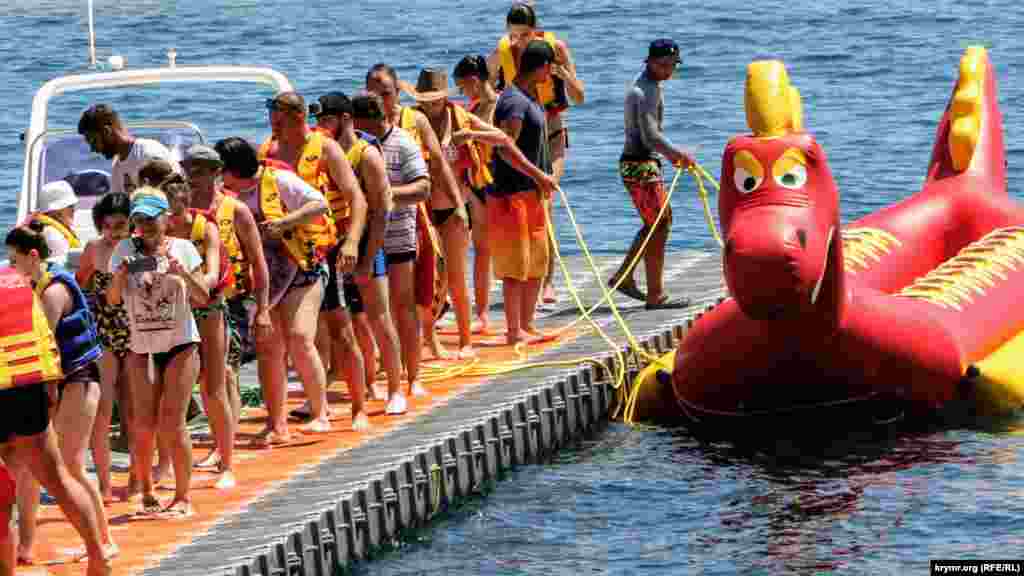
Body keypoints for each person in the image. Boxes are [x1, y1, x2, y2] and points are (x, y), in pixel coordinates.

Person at [3, 225, 113, 575]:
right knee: (42, 477)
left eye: (13, 258)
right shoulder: (23, 291)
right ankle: (29, 547)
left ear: (33, 257)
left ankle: (102, 546)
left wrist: (49, 392)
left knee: (67, 469)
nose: (9, 264)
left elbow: (46, 346)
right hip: (33, 392)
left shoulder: (53, 291)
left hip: (69, 383)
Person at [257, 92, 367, 432]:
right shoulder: (269, 151)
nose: (274, 129)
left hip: (326, 248)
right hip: (287, 254)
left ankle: (359, 406)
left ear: (298, 118)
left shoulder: (326, 148)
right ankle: (308, 405)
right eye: (272, 123)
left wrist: (351, 242)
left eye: (279, 123)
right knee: (296, 335)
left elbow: (356, 198)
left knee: (340, 329)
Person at [216, 137, 335, 439]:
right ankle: (276, 423)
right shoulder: (224, 196)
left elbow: (319, 203)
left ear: (234, 168)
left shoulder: (279, 179)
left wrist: (285, 222)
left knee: (298, 337)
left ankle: (321, 413)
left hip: (303, 268)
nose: (218, 176)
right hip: (262, 277)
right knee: (269, 348)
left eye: (221, 169)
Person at [107, 188, 207, 518]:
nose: (146, 225)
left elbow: (203, 296)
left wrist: (182, 274)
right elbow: (112, 299)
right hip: (142, 346)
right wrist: (121, 275)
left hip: (180, 343)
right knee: (142, 422)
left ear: (166, 217)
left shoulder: (184, 248)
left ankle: (183, 497)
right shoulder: (124, 250)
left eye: (152, 218)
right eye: (139, 219)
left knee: (172, 422)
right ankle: (147, 489)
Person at [487, 2, 586, 305]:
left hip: (551, 130)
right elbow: (488, 86)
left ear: (536, 30)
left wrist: (562, 74)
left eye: (526, 34)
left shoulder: (554, 48)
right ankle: (522, 275)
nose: (520, 41)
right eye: (514, 35)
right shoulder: (502, 50)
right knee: (519, 206)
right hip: (521, 130)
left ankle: (548, 281)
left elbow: (579, 96)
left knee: (547, 201)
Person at [315, 92, 400, 430]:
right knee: (349, 322)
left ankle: (396, 388)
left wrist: (367, 258)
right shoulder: (320, 150)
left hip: (366, 243)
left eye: (327, 120)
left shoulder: (366, 155)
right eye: (319, 120)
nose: (321, 127)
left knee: (379, 317)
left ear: (345, 118)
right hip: (332, 245)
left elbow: (380, 211)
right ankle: (363, 385)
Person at [368, 64, 460, 361]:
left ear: (396, 92)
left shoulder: (414, 120)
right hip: (374, 218)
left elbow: (438, 162)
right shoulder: (361, 126)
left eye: (385, 93)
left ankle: (430, 339)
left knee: (428, 280)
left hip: (413, 212)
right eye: (373, 93)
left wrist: (458, 204)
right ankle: (388, 352)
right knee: (382, 291)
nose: (380, 99)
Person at [154, 168, 238, 490]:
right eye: (164, 214)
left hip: (208, 309)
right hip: (173, 315)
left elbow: (213, 275)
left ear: (185, 207)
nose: (169, 221)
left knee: (213, 387)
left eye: (174, 213)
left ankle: (226, 463)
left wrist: (186, 278)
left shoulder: (205, 228)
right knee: (164, 392)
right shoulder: (154, 236)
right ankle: (164, 464)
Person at [183, 144, 272, 447]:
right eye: (188, 169)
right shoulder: (180, 212)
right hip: (191, 305)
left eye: (199, 170)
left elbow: (259, 264)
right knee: (205, 377)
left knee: (226, 373)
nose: (191, 176)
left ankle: (225, 445)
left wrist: (262, 310)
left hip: (230, 302)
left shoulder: (236, 210)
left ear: (215, 172)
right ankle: (223, 437)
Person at [351, 90, 431, 415]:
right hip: (369, 238)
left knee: (403, 308)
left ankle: (413, 377)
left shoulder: (403, 143)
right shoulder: (356, 148)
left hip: (398, 237)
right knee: (368, 315)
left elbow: (423, 187)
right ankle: (374, 380)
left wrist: (382, 194)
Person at [610, 39, 695, 310]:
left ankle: (624, 277)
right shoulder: (644, 90)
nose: (667, 70)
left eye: (672, 66)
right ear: (648, 61)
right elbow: (650, 135)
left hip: (640, 163)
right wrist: (675, 154)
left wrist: (668, 155)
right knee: (660, 224)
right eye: (662, 65)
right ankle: (655, 294)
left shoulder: (648, 85)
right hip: (639, 164)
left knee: (655, 224)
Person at [491, 40, 560, 344]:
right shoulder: (514, 101)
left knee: (536, 262)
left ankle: (527, 324)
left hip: (533, 194)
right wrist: (539, 175)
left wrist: (542, 181)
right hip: (513, 194)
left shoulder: (530, 95)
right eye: (551, 67)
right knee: (516, 266)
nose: (552, 73)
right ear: (542, 66)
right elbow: (505, 149)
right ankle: (512, 330)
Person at [76, 192, 133, 504]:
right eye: (108, 226)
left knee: (137, 407)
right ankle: (106, 485)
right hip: (107, 331)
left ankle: (142, 477)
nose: (114, 232)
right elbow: (80, 283)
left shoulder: (136, 249)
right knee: (103, 410)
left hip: (139, 330)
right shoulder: (94, 248)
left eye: (120, 225)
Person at [454, 55, 500, 334]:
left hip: (496, 183)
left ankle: (489, 312)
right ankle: (482, 312)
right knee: (481, 250)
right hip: (475, 184)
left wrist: (470, 134)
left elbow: (504, 137)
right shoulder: (475, 106)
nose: (462, 93)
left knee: (496, 249)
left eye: (462, 87)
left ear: (473, 81)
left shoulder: (499, 105)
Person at [78, 103, 180, 195]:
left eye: (93, 141)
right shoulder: (117, 166)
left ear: (106, 131)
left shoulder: (148, 154)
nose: (92, 149)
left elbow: (174, 201)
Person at [24, 180, 81, 265]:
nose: (73, 210)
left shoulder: (50, 228)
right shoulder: (52, 234)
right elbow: (63, 266)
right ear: (55, 211)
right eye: (70, 206)